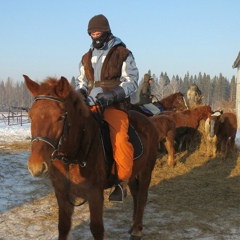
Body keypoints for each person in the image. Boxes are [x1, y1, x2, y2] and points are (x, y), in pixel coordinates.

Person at [76, 14, 139, 203]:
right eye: (91, 33)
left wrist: (114, 94)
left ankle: (121, 180)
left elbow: (132, 81)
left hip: (114, 105)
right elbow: (81, 81)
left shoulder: (122, 53)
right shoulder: (86, 57)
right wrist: (79, 93)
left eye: (98, 31)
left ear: (106, 31)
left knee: (119, 139)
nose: (95, 35)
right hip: (90, 105)